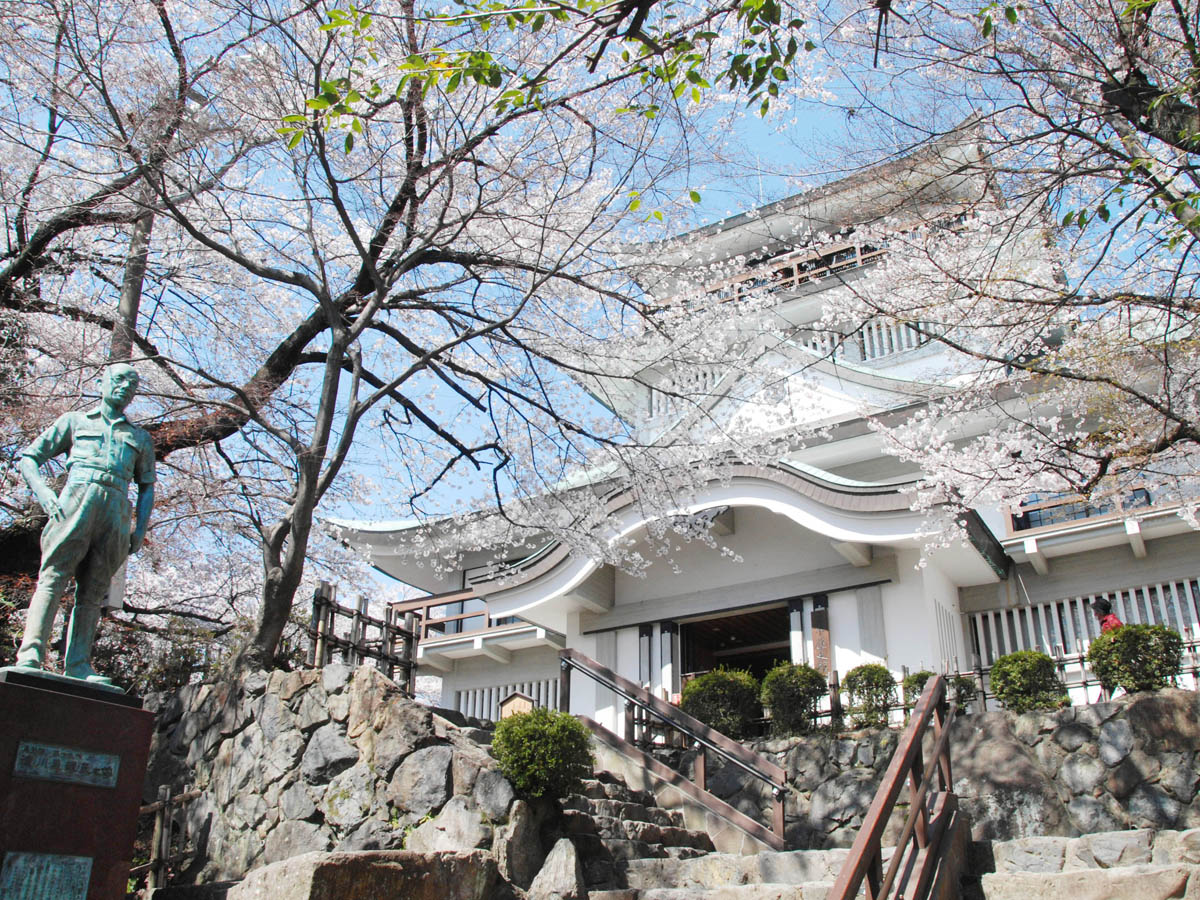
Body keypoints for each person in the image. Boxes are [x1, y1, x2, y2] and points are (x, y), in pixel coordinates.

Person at [15, 363, 155, 685]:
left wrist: (140, 528)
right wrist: (45, 494)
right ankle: (31, 653)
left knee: (93, 589)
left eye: (132, 384)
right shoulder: (75, 421)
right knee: (53, 576)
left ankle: (78, 663)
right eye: (119, 380)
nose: (125, 387)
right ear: (103, 381)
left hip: (116, 508)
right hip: (77, 498)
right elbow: (30, 458)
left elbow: (147, 486)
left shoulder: (139, 438)